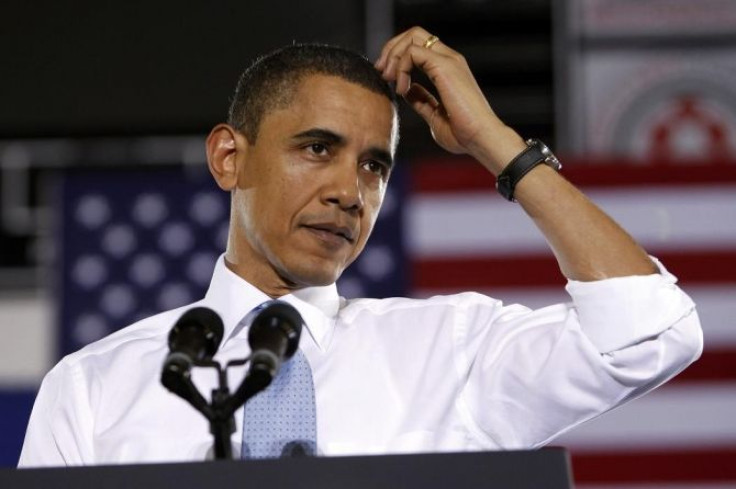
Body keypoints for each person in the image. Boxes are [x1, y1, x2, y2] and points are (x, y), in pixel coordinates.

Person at [19, 27, 702, 466]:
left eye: (374, 165)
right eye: (318, 149)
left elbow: (650, 329)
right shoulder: (94, 390)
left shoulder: (453, 351)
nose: (351, 190)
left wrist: (495, 142)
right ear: (229, 157)